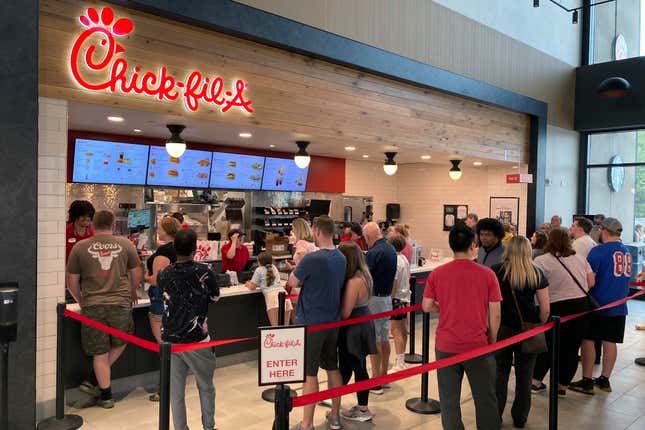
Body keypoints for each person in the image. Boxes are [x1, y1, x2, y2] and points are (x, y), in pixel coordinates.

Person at [422, 223, 502, 430]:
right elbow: (495, 313)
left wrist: (445, 306)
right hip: (477, 343)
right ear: (473, 244)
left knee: (449, 400)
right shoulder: (487, 275)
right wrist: (492, 338)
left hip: (446, 344)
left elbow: (427, 306)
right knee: (485, 398)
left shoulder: (437, 274)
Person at [66, 210, 143, 408]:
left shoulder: (80, 247)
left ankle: (106, 396)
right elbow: (137, 273)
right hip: (120, 303)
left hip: (92, 306)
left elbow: (71, 281)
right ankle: (93, 381)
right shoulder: (126, 244)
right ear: (113, 225)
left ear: (93, 225)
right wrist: (132, 291)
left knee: (99, 353)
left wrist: (81, 300)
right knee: (124, 338)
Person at [157, 229, 220, 430]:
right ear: (195, 249)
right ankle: (208, 427)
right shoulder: (204, 271)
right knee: (206, 387)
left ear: (174, 248)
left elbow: (163, 297)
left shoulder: (163, 273)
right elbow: (215, 297)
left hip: (170, 340)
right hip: (197, 339)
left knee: (176, 393)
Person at [288, 215, 346, 430]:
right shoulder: (341, 257)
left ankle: (307, 423)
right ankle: (336, 416)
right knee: (332, 366)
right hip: (333, 321)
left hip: (311, 321)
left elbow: (293, 281)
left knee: (309, 373)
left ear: (318, 232)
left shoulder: (312, 259)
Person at [491, 236, 550, 428]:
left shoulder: (497, 272)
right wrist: (538, 324)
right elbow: (545, 309)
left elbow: (491, 305)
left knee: (500, 373)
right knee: (525, 376)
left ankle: (495, 416)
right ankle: (520, 417)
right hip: (529, 329)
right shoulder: (537, 273)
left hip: (503, 329)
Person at [570, 218, 632, 395]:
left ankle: (587, 379)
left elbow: (589, 279)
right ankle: (605, 379)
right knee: (610, 341)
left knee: (588, 339)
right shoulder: (626, 251)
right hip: (619, 304)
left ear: (603, 231)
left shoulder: (599, 251)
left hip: (598, 304)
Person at [532, 228, 595, 396]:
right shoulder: (580, 258)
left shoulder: (541, 260)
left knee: (548, 345)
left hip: (555, 306)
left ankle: (535, 381)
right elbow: (591, 281)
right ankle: (562, 386)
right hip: (581, 306)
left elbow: (535, 284)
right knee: (571, 348)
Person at [337, 242, 377, 423]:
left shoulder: (354, 281)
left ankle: (363, 408)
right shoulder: (365, 275)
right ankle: (335, 399)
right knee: (347, 366)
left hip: (354, 327)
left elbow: (345, 312)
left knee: (357, 366)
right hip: (362, 322)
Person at [144, 216, 180, 402]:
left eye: (159, 227)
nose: (157, 230)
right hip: (177, 302)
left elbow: (157, 280)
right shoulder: (181, 248)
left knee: (164, 346)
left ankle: (164, 388)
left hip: (160, 302)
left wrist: (144, 276)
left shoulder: (163, 251)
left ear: (166, 230)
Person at [363, 222, 397, 395]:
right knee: (384, 337)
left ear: (369, 237)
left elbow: (365, 278)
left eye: (365, 238)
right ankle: (384, 375)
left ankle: (375, 380)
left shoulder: (374, 252)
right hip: (386, 299)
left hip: (375, 299)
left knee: (374, 339)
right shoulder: (390, 249)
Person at [246, 251, 293, 325]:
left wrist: (247, 284)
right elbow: (269, 282)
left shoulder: (259, 270)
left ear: (259, 261)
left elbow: (252, 287)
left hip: (272, 299)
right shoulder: (274, 267)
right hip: (285, 296)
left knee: (275, 328)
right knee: (285, 328)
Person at [388, 234, 411, 372]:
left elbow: (394, 282)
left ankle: (399, 363)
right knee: (402, 330)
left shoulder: (394, 260)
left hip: (396, 298)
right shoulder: (404, 258)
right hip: (404, 298)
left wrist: (389, 299)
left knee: (396, 330)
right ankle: (401, 359)